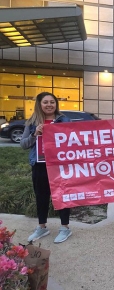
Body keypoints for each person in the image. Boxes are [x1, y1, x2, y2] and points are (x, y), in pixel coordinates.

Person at [20, 92, 72, 244]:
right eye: (45, 102)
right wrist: (35, 134)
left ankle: (64, 228)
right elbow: (23, 145)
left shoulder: (64, 120)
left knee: (63, 196)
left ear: (56, 104)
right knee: (41, 196)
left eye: (52, 102)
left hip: (59, 166)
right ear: (39, 104)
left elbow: (74, 141)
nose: (49, 105)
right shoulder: (32, 122)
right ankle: (42, 226)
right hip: (40, 165)